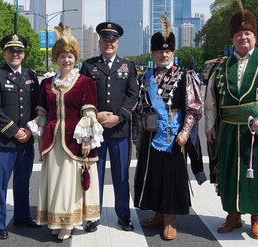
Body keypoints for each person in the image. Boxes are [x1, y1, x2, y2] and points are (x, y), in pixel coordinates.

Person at [204, 3, 258, 239]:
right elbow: (211, 101)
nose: (243, 37)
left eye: (248, 33)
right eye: (238, 34)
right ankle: (233, 216)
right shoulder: (221, 68)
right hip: (229, 131)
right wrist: (210, 125)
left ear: (254, 36)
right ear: (232, 38)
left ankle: (257, 219)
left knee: (257, 174)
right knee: (230, 172)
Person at [29, 24, 103, 241]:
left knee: (70, 183)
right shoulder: (46, 84)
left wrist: (88, 139)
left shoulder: (84, 82)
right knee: (54, 181)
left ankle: (68, 223)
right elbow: (42, 112)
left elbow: (88, 112)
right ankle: (55, 220)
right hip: (53, 140)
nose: (66, 60)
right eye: (62, 56)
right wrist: (38, 132)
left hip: (74, 140)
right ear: (56, 59)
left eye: (70, 56)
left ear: (75, 58)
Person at [133, 16, 203, 241]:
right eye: (159, 52)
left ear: (173, 52)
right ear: (153, 53)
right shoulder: (146, 77)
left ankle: (170, 219)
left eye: (168, 51)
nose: (164, 55)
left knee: (171, 178)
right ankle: (157, 213)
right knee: (151, 175)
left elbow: (194, 108)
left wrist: (184, 132)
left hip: (173, 136)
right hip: (149, 135)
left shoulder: (185, 75)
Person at [80, 22, 139, 232]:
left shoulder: (128, 66)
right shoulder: (89, 65)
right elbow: (82, 94)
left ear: (118, 43)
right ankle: (93, 215)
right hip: (95, 131)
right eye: (105, 40)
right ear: (99, 42)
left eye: (113, 40)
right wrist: (94, 114)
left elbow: (133, 96)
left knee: (121, 176)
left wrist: (120, 117)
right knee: (94, 175)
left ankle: (123, 215)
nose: (109, 43)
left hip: (119, 130)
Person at [0, 34, 40, 240]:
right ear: (4, 53)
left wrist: (29, 129)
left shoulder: (31, 75)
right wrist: (14, 130)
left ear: (24, 54)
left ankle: (23, 216)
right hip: (4, 140)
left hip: (26, 139)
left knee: (23, 180)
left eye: (19, 51)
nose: (15, 54)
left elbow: (36, 106)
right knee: (0, 183)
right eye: (11, 50)